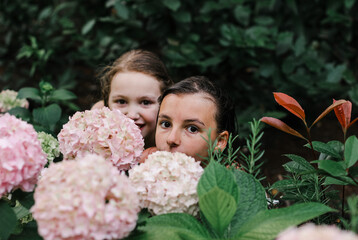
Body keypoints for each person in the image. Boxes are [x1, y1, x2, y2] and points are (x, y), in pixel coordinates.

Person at [142, 76, 238, 163]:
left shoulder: (234, 180)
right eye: (166, 124)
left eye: (192, 129)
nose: (171, 139)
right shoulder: (144, 163)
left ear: (219, 141)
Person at [92, 49, 173, 148]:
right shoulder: (96, 123)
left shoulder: (174, 141)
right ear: (107, 102)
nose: (132, 115)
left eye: (146, 102)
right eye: (121, 101)